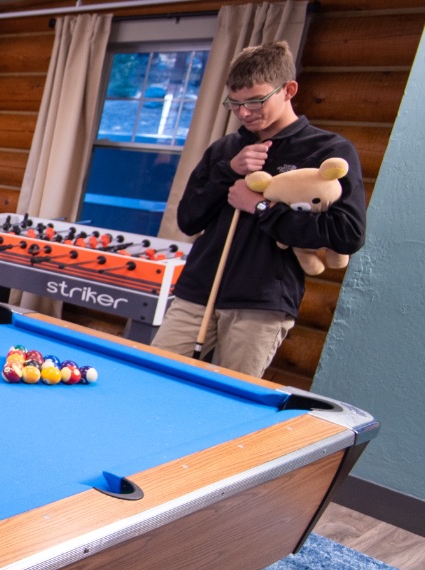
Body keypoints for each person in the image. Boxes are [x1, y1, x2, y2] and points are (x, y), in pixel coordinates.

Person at [151, 40, 366, 378]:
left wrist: (262, 207)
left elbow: (348, 234)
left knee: (226, 403)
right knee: (156, 380)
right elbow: (188, 218)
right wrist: (227, 172)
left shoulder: (327, 150)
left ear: (289, 90)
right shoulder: (226, 148)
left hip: (261, 304)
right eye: (234, 104)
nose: (245, 113)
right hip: (197, 292)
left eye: (255, 101)